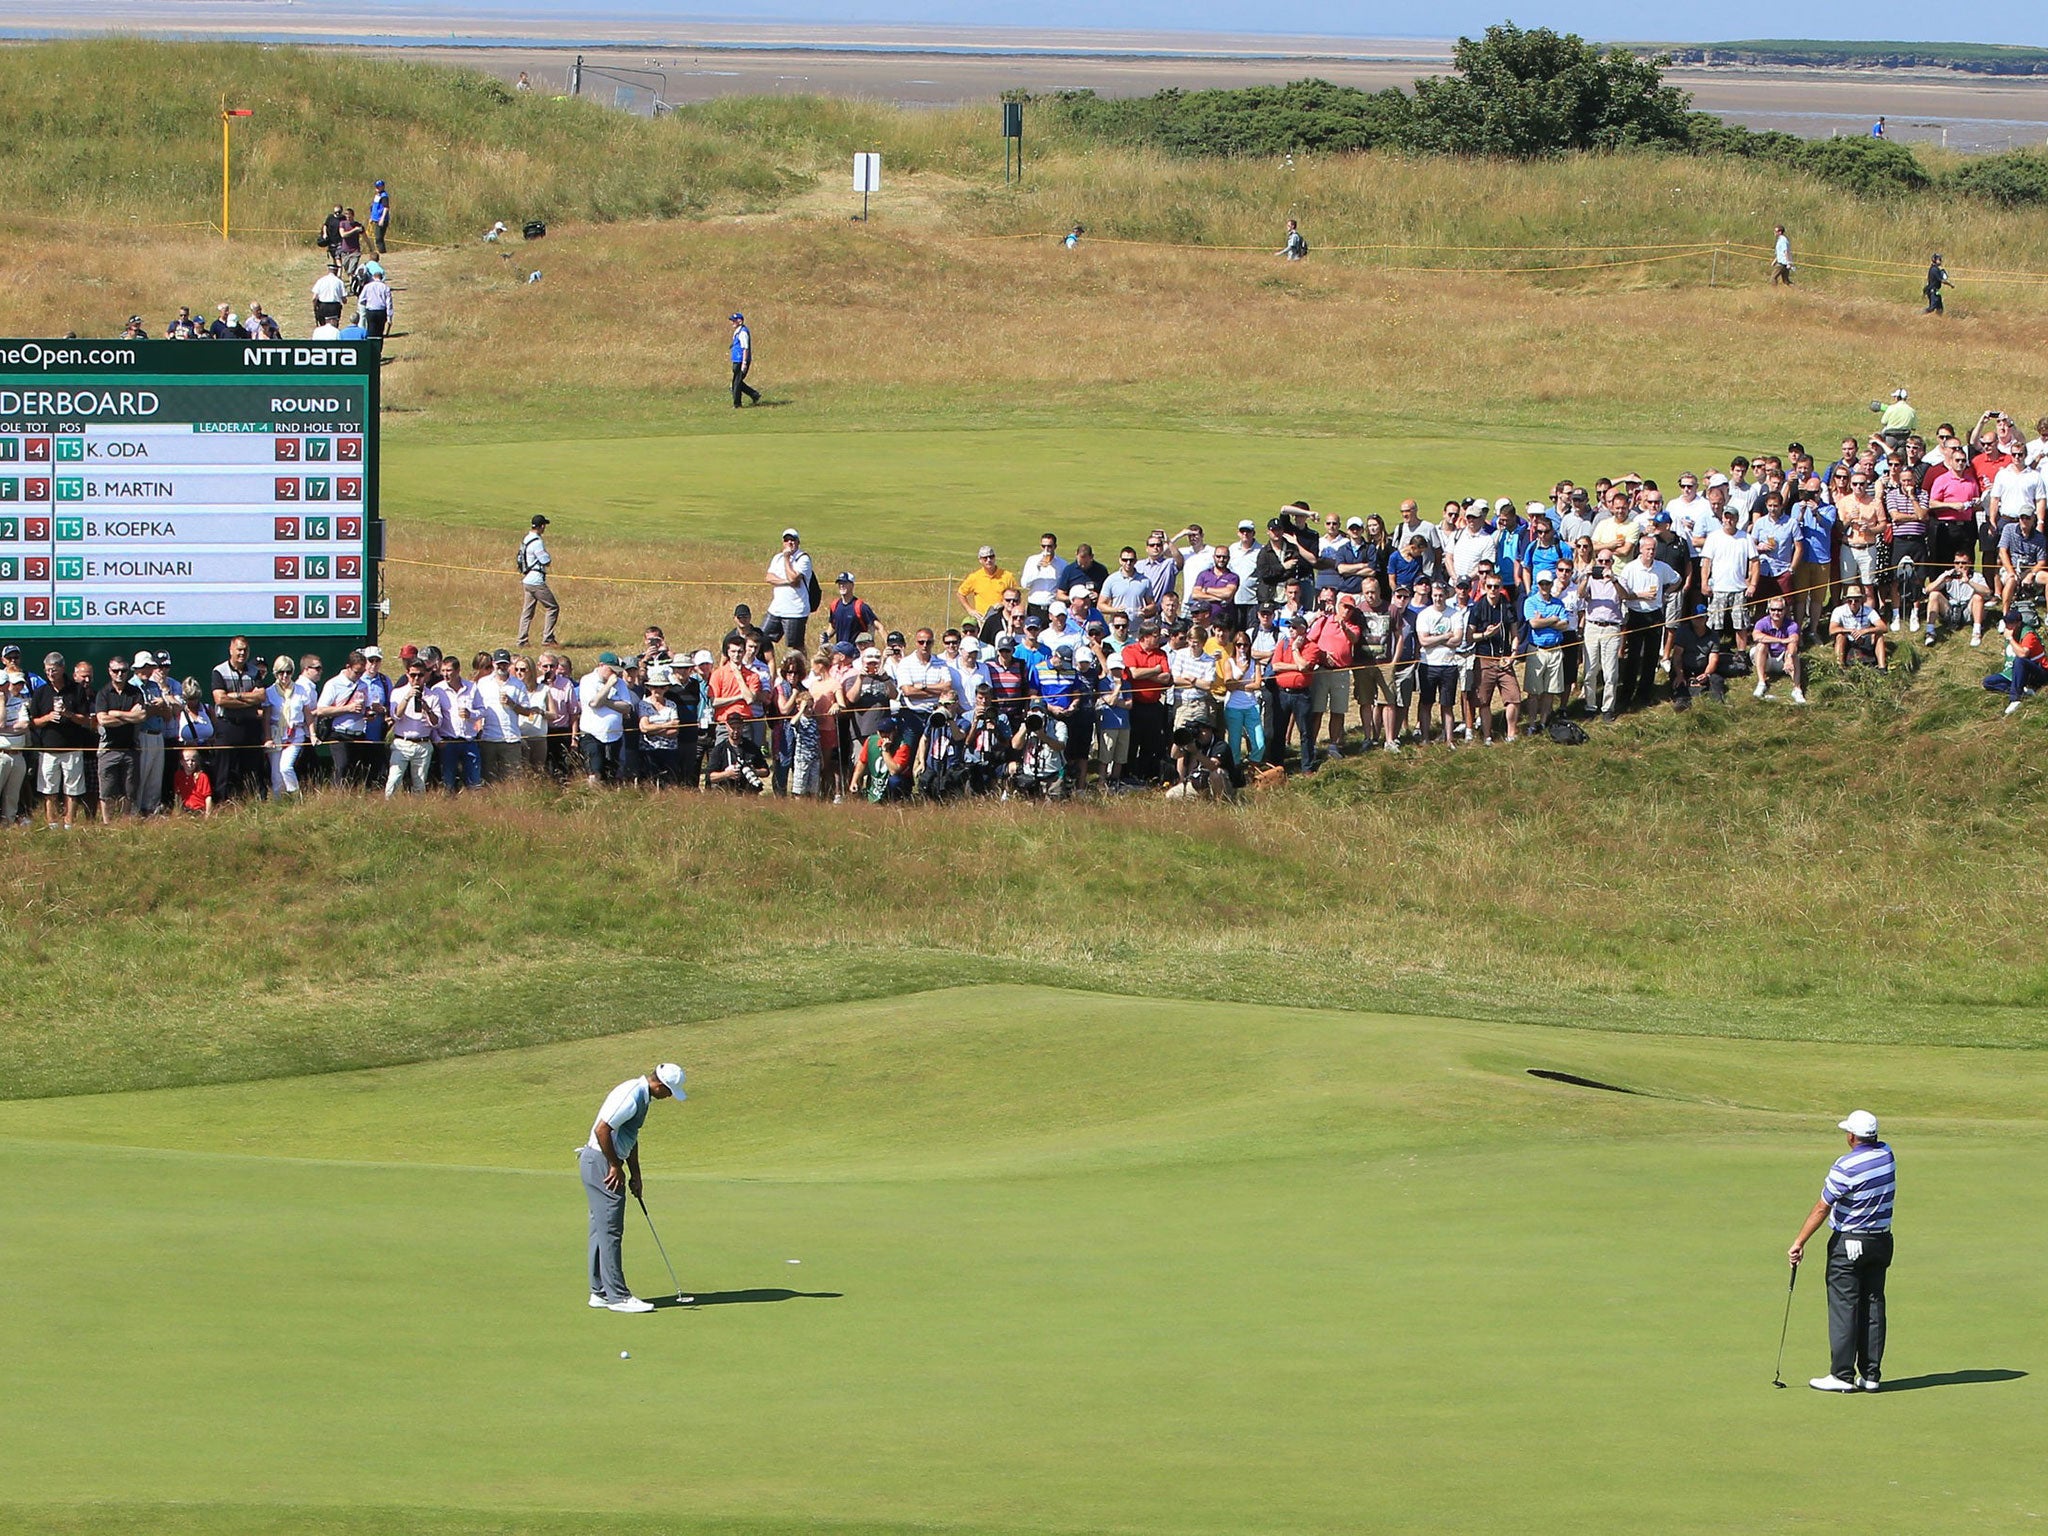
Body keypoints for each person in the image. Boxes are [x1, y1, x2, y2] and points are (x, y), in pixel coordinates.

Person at [1788, 1110, 1895, 1393]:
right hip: (1881, 1242)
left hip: (1849, 1244)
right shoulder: (1887, 1153)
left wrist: (1799, 1241)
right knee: (1873, 1304)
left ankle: (1842, 1375)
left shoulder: (1845, 1166)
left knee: (1844, 1307)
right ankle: (1871, 1375)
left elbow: (1823, 1206)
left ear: (1851, 1137)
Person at [580, 1063, 688, 1313]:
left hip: (601, 1161)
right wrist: (615, 1166)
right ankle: (618, 1296)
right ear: (659, 1085)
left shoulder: (642, 1096)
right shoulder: (631, 1095)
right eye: (669, 1092)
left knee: (601, 1228)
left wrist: (636, 1174)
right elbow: (602, 1130)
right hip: (600, 1163)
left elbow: (629, 1137)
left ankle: (600, 1293)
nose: (669, 1096)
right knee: (611, 1230)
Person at [211, 636, 268, 802]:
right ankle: (222, 805)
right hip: (228, 726)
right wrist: (249, 699)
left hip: (250, 727)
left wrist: (236, 697)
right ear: (231, 650)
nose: (242, 653)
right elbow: (220, 700)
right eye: (239, 649)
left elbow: (261, 696)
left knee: (253, 770)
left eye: (245, 650)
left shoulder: (254, 671)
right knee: (224, 770)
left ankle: (254, 803)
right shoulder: (219, 671)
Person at [92, 653, 147, 820]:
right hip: (108, 748)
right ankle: (107, 823)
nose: (119, 674)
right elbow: (102, 720)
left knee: (130, 790)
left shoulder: (135, 692)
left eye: (123, 670)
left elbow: (141, 716)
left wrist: (116, 714)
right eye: (116, 670)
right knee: (106, 791)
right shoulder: (103, 693)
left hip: (131, 748)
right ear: (109, 671)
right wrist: (129, 716)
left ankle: (125, 821)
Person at [1749, 598, 1808, 705]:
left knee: (1793, 652)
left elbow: (1794, 640)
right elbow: (1756, 636)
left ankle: (1797, 689)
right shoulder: (1762, 622)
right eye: (1773, 609)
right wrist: (1781, 640)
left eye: (1780, 610)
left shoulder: (1791, 625)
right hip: (1767, 658)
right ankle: (1762, 682)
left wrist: (1789, 657)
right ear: (1769, 610)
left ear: (1785, 610)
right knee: (1761, 645)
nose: (1776, 613)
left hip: (1783, 659)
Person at [764, 528, 814, 653]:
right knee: (761, 639)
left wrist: (787, 558)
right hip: (776, 609)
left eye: (793, 540)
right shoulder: (777, 558)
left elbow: (793, 578)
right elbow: (769, 578)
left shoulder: (803, 559)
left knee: (796, 646)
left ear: (798, 542)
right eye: (787, 540)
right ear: (783, 542)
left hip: (795, 611)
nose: (790, 543)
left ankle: (802, 669)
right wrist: (786, 582)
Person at [517, 515, 559, 647]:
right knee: (552, 607)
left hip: (527, 580)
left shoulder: (527, 538)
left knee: (527, 611)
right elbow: (545, 560)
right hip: (536, 581)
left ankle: (522, 640)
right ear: (542, 526)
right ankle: (548, 638)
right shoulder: (537, 542)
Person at [1830, 583, 1890, 671]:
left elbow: (1884, 628)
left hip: (1865, 638)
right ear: (1846, 601)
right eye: (1850, 601)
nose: (1853, 603)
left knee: (1879, 636)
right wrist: (1849, 631)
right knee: (1840, 636)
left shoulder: (1869, 611)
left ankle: (1882, 667)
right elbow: (1832, 630)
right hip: (1848, 639)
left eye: (1856, 600)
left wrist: (1864, 631)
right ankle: (1839, 668)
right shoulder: (1839, 610)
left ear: (1861, 600)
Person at [729, 312, 760, 407]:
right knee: (736, 382)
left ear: (740, 321)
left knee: (736, 384)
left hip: (740, 360)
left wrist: (744, 363)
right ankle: (754, 394)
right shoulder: (738, 331)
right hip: (736, 360)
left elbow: (745, 348)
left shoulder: (743, 332)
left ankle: (737, 404)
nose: (732, 322)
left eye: (734, 321)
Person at [358, 268, 393, 337]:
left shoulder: (367, 286)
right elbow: (389, 303)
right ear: (381, 278)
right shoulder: (385, 287)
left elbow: (361, 299)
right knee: (380, 331)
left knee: (371, 329)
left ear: (373, 277)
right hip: (381, 311)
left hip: (370, 311)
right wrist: (389, 316)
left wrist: (366, 304)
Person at [311, 265, 347, 329]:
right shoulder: (339, 282)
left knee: (322, 326)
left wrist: (315, 307)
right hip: (335, 307)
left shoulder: (321, 281)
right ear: (336, 271)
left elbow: (314, 298)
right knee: (334, 327)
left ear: (328, 271)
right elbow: (344, 300)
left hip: (323, 306)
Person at [368, 178, 390, 255]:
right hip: (375, 219)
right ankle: (381, 251)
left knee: (379, 238)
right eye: (376, 186)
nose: (377, 188)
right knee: (377, 237)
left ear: (383, 187)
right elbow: (374, 206)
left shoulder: (384, 196)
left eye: (379, 187)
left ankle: (382, 253)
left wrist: (382, 219)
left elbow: (386, 207)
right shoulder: (377, 195)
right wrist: (371, 217)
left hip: (381, 219)